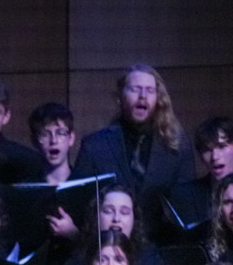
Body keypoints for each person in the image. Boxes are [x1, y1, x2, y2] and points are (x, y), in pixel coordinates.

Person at [74, 65, 194, 223]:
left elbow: (186, 206)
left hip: (161, 238)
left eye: (150, 90)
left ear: (158, 98)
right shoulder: (95, 145)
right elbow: (78, 202)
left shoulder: (178, 147)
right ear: (119, 97)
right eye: (135, 89)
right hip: (111, 236)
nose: (143, 96)